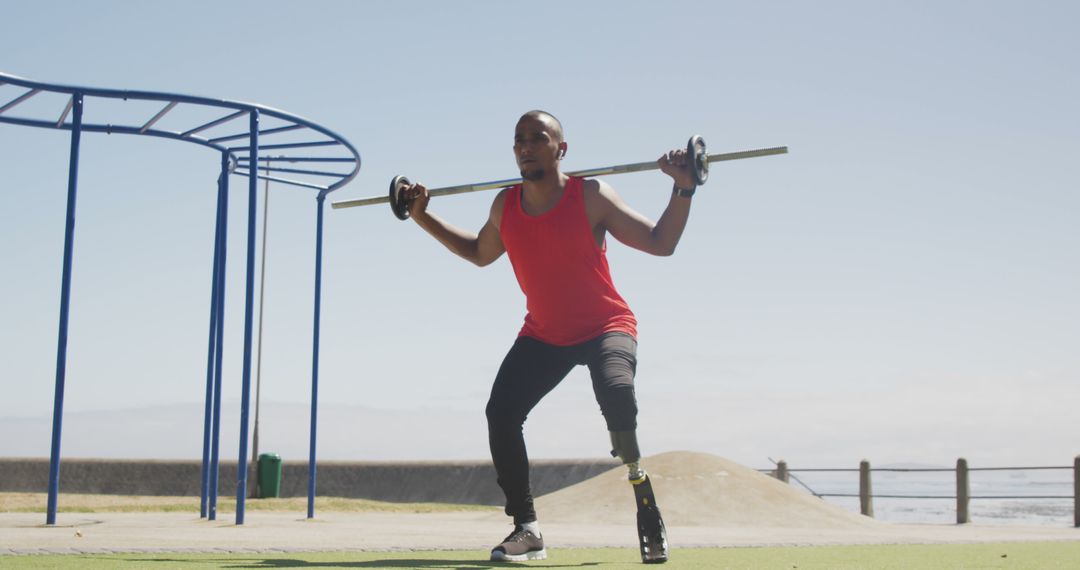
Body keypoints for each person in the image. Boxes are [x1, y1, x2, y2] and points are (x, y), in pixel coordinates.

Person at [404, 110, 697, 563]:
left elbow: (661, 242)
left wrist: (683, 187)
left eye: (537, 138)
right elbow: (479, 253)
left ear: (561, 149)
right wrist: (422, 216)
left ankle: (638, 479)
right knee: (501, 413)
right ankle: (527, 529)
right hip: (544, 334)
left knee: (617, 393)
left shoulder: (592, 195)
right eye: (519, 140)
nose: (525, 146)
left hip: (606, 327)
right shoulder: (505, 206)